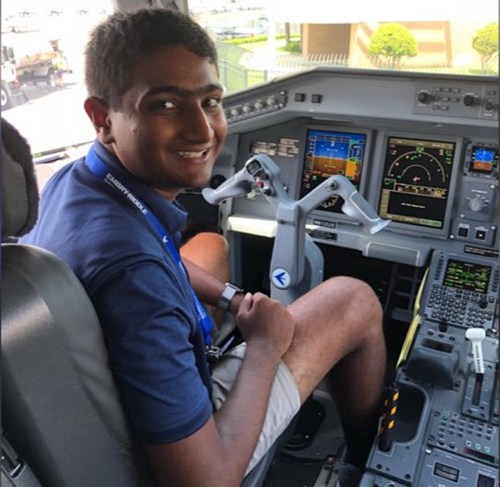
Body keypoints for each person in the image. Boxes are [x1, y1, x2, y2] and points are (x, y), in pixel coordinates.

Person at [21, 8, 386, 487]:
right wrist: (262, 347)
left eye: (211, 101)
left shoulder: (79, 180)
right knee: (352, 300)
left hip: (90, 382)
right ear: (102, 118)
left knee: (211, 243)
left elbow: (154, 259)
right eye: (166, 105)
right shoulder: (136, 278)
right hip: (191, 451)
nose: (203, 130)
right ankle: (364, 458)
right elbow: (206, 481)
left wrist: (233, 299)